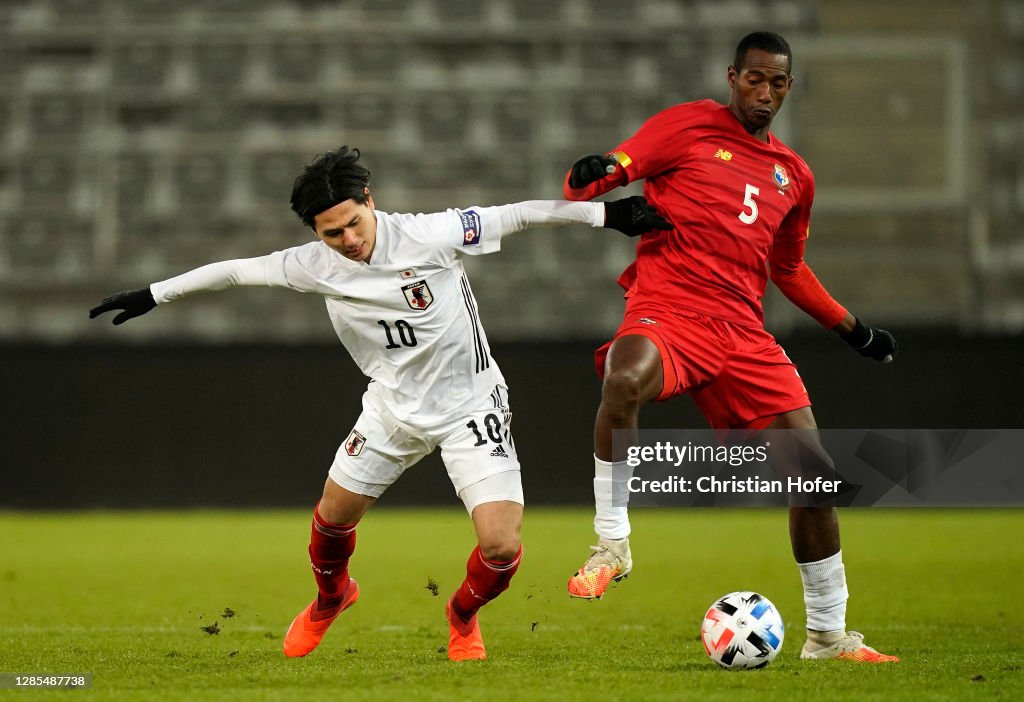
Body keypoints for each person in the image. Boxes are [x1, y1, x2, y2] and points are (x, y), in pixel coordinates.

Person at [89, 146, 668, 661]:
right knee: (331, 518)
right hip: (391, 409)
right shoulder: (313, 265)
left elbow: (518, 214)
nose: (349, 241)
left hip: (472, 405)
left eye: (353, 223)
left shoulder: (430, 234)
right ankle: (332, 598)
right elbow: (236, 272)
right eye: (332, 234)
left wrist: (605, 213)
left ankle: (462, 617)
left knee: (501, 547)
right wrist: (151, 295)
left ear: (370, 200)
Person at [561, 32, 900, 663]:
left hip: (744, 335)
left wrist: (854, 330)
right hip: (670, 311)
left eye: (777, 83)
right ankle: (612, 542)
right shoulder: (686, 127)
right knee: (624, 378)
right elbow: (603, 176)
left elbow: (790, 269)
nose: (764, 93)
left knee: (815, 479)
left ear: (788, 88)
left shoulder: (794, 176)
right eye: (754, 80)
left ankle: (827, 635)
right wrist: (596, 175)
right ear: (732, 77)